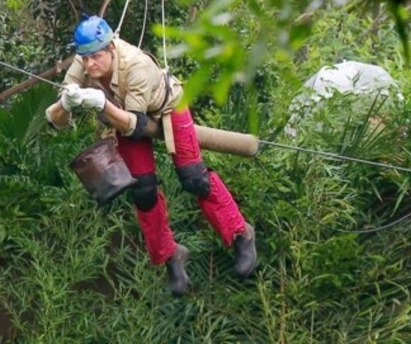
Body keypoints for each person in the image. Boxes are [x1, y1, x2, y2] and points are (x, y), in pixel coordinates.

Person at [45, 15, 257, 296]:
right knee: (143, 191)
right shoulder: (83, 61)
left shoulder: (136, 64)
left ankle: (241, 232)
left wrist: (102, 104)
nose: (89, 65)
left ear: (110, 48)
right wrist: (65, 103)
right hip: (122, 117)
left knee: (194, 178)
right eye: (84, 58)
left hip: (163, 107)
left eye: (95, 57)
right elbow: (55, 121)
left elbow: (134, 125)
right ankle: (170, 254)